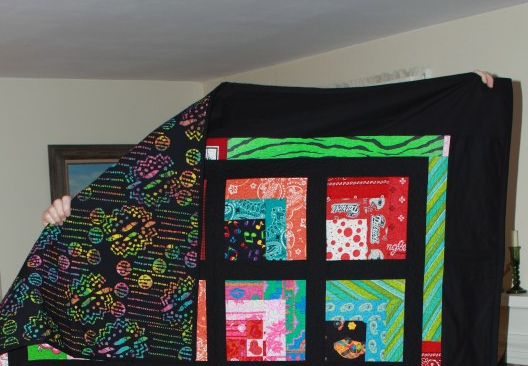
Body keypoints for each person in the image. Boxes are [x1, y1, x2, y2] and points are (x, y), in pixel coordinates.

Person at [40, 72, 495, 224]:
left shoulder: (295, 187)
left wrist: (461, 100)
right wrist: (70, 219)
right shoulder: (178, 201)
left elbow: (374, 140)